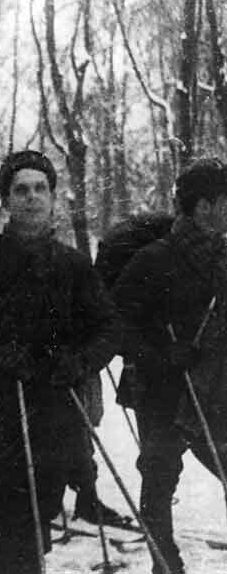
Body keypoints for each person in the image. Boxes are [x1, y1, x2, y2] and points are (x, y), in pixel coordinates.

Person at [0, 150, 116, 574]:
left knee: (40, 512)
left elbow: (109, 329)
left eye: (41, 189)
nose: (32, 197)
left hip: (54, 411)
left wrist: (78, 362)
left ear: (54, 197)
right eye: (21, 190)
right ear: (6, 200)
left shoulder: (74, 265)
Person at [113, 158, 227, 574]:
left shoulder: (224, 255)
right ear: (204, 207)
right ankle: (165, 564)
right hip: (161, 390)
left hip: (215, 388)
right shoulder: (154, 259)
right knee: (159, 478)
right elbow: (114, 323)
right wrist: (161, 355)